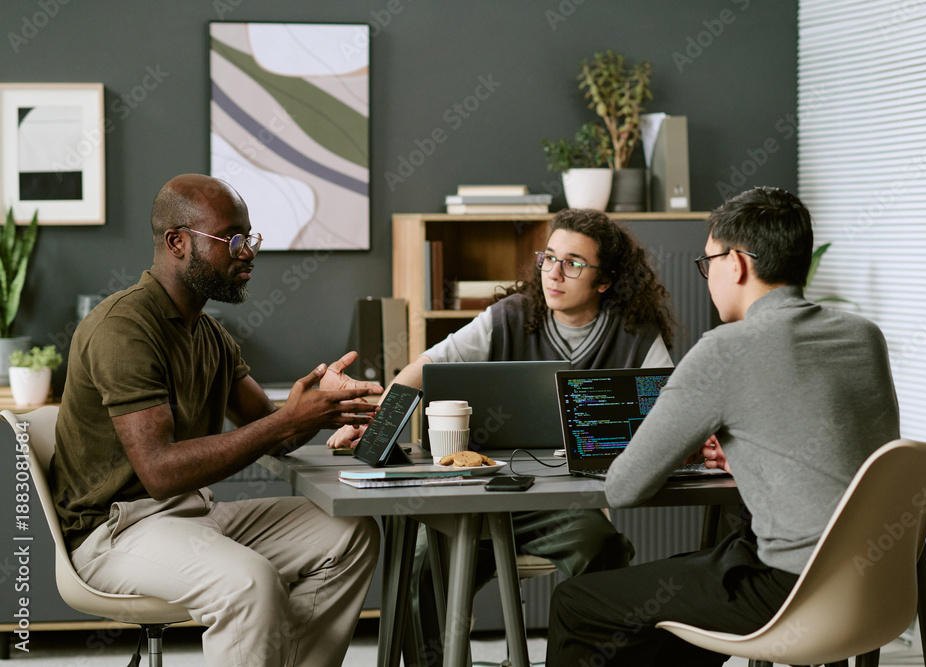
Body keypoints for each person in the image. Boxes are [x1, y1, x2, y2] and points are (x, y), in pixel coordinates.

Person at [544, 187, 901, 665]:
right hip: (879, 586)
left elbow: (626, 486)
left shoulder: (724, 349)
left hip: (792, 591)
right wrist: (749, 450)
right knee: (686, 579)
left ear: (736, 264)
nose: (708, 275)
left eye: (707, 262)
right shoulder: (863, 336)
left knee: (577, 602)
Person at [50, 174, 382, 667]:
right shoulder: (123, 328)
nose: (248, 252)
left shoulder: (209, 334)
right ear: (177, 242)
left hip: (190, 516)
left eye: (250, 238)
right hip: (115, 532)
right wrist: (287, 420)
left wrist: (318, 410)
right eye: (232, 239)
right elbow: (160, 472)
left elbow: (272, 432)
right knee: (250, 583)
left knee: (350, 533)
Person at [328, 207, 675, 665]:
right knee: (420, 565)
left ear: (605, 280)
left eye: (573, 263)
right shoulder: (509, 317)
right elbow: (422, 369)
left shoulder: (635, 336)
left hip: (562, 507)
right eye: (548, 258)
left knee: (603, 546)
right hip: (475, 497)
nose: (554, 273)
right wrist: (375, 427)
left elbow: (670, 413)